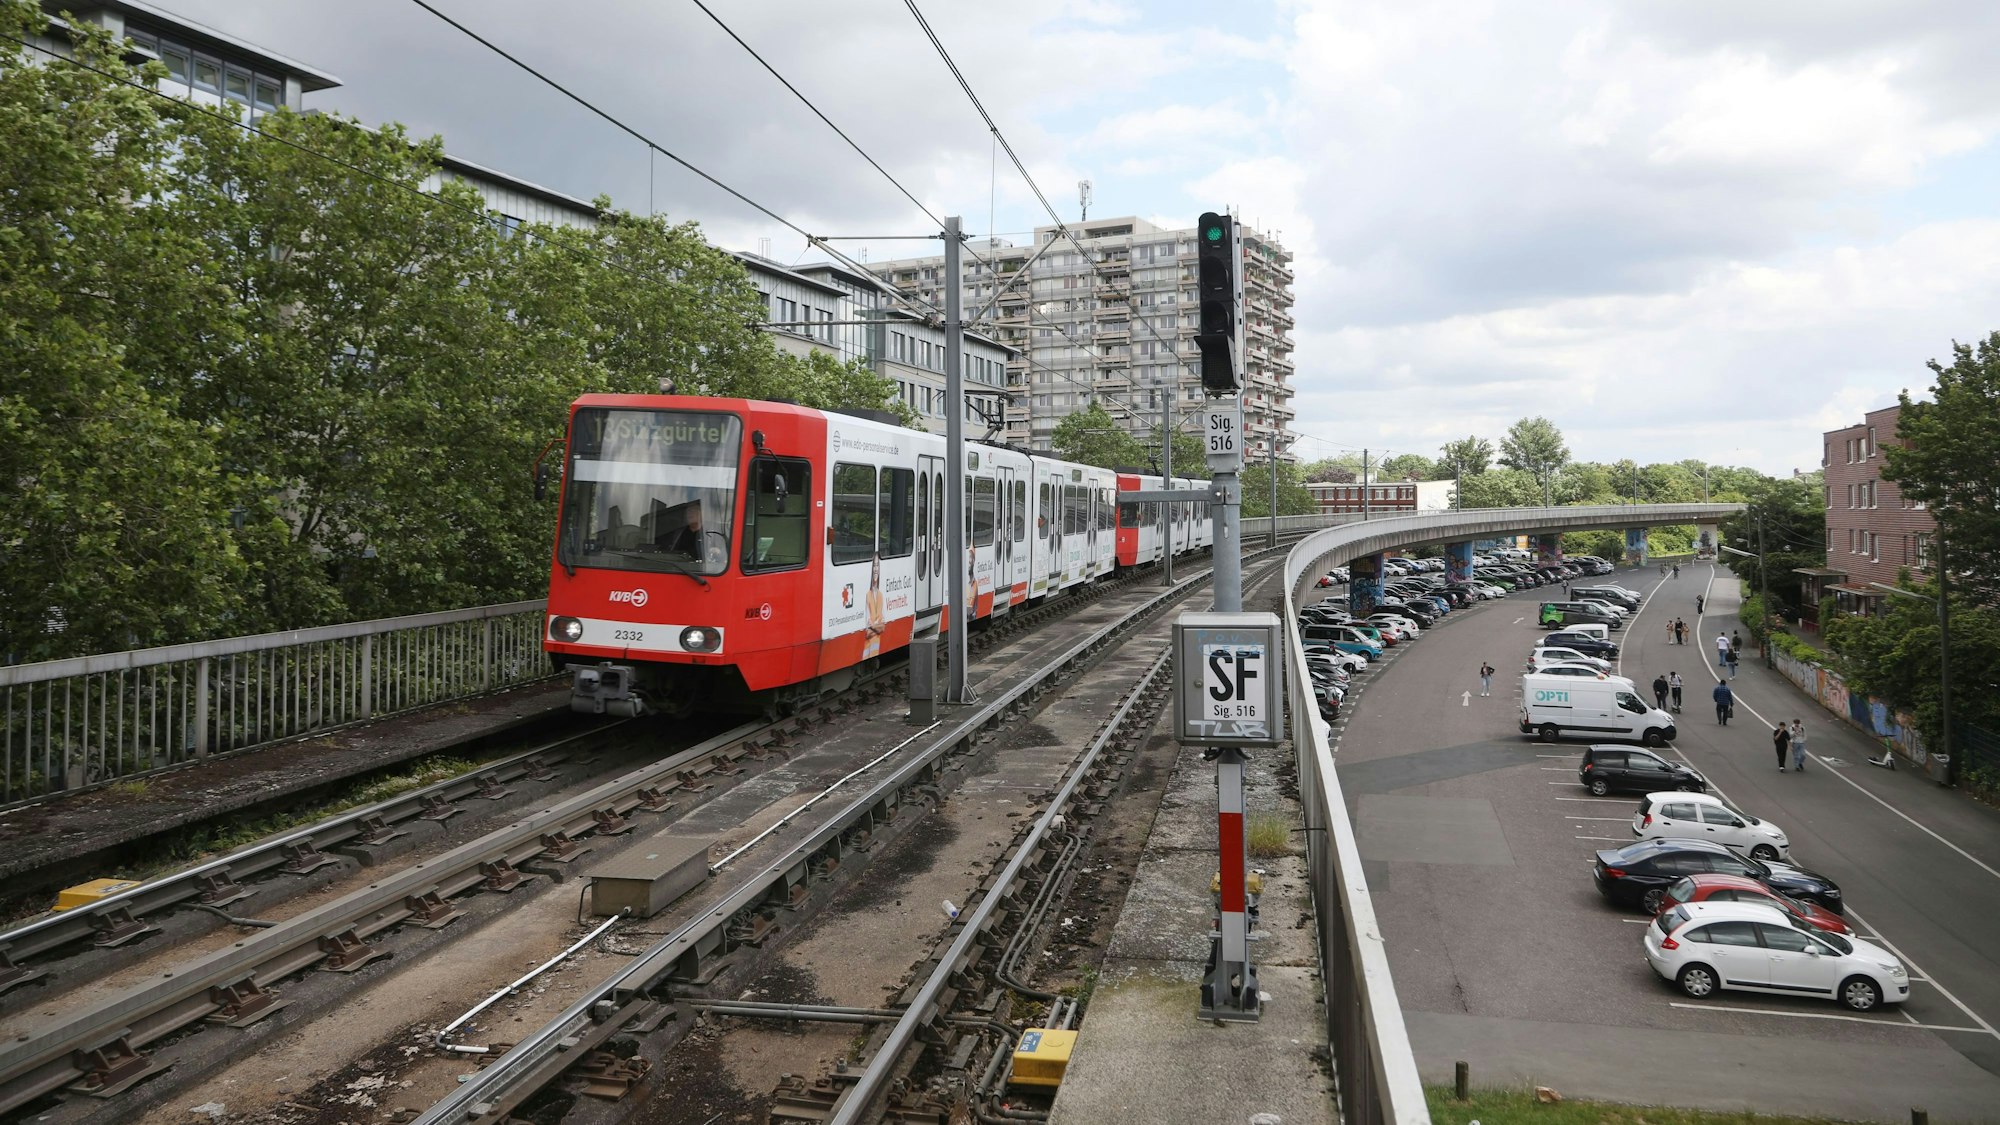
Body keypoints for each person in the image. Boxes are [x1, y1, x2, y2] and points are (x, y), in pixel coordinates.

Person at [862, 555, 887, 659]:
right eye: (874, 566)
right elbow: (867, 631)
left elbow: (883, 627)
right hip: (867, 653)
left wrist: (874, 627)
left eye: (877, 566)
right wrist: (878, 627)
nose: (876, 569)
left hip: (875, 651)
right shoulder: (867, 595)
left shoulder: (881, 595)